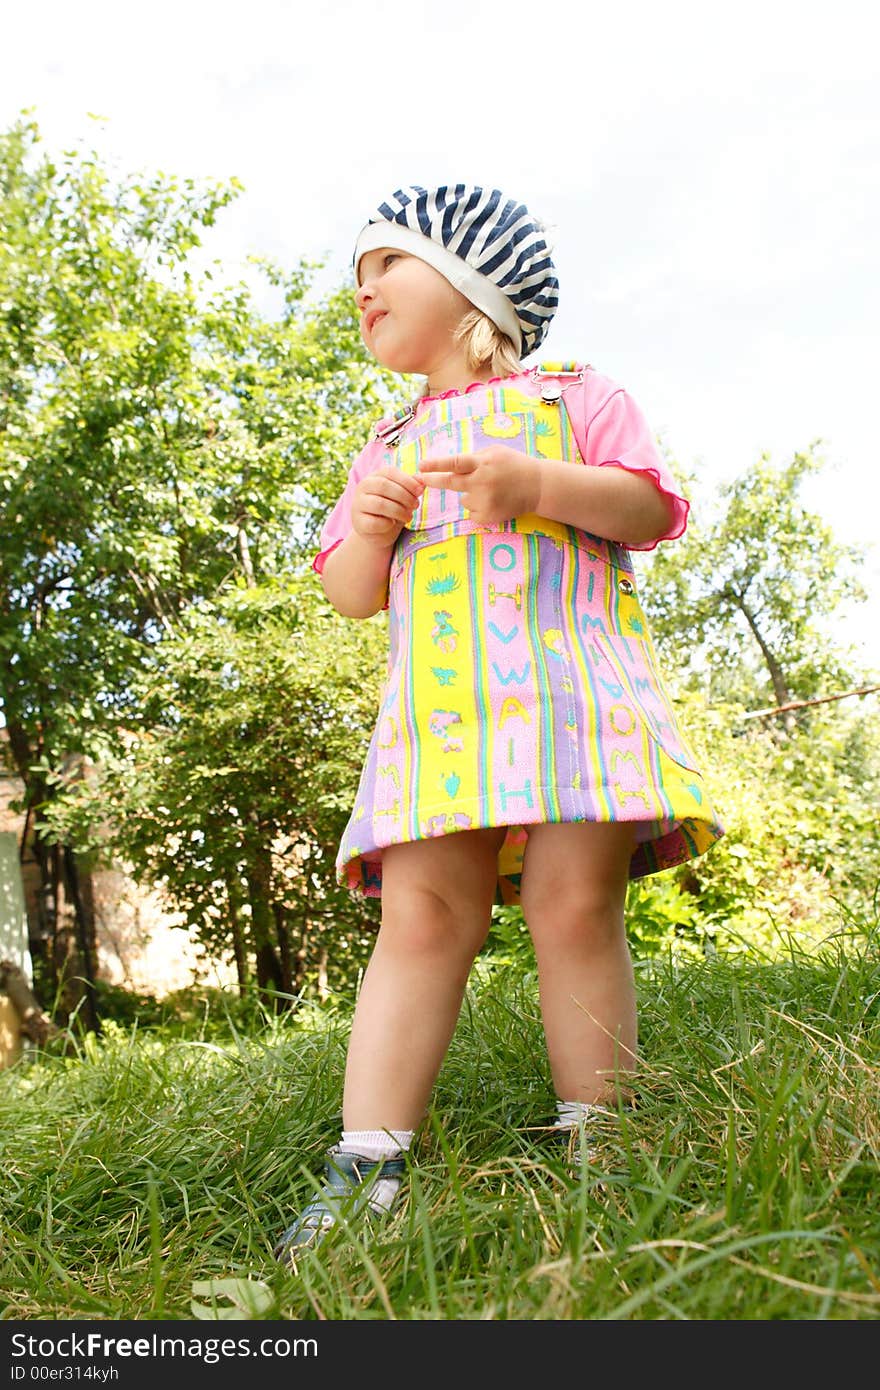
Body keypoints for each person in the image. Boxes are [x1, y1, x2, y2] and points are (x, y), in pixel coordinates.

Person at [274, 184, 724, 1263]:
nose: (363, 288)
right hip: (443, 725)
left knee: (576, 905)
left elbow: (650, 508)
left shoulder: (578, 396)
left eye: (385, 262)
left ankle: (604, 1138)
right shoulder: (385, 443)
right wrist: (371, 532)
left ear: (474, 282)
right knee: (420, 920)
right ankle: (367, 1161)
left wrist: (535, 482)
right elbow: (348, 592)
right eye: (357, 276)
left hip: (576, 709)